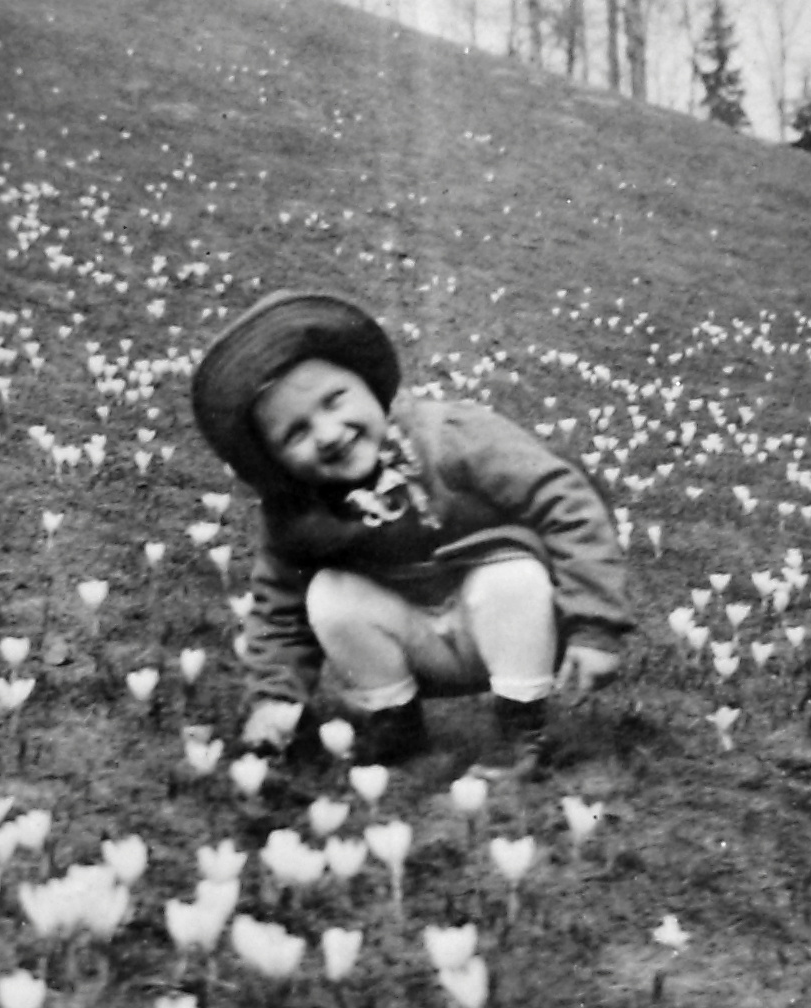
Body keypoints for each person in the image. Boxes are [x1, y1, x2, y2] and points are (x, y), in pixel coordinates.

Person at [190, 288, 632, 770]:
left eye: (335, 400)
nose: (330, 434)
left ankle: (521, 729)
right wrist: (275, 697)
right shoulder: (297, 509)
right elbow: (279, 608)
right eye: (296, 432)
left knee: (511, 577)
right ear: (273, 459)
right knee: (329, 595)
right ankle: (395, 725)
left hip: (512, 628)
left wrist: (594, 626)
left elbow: (564, 500)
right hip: (416, 641)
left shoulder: (450, 437)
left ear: (369, 385)